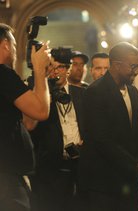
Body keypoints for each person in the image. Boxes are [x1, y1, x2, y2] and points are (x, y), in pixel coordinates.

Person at [78, 42, 138, 211]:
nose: (137, 71)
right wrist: (135, 164)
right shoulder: (95, 92)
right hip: (104, 181)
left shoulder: (133, 92)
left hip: (130, 180)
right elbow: (101, 139)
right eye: (133, 66)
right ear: (116, 65)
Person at [0, 23, 50, 211]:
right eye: (13, 45)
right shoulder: (3, 74)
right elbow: (41, 112)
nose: (14, 51)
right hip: (5, 177)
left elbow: (29, 122)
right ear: (5, 44)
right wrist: (39, 70)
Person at [28, 58, 86, 211]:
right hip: (50, 171)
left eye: (59, 67)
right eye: (50, 68)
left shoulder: (83, 94)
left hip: (80, 168)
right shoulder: (40, 97)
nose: (55, 71)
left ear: (68, 69)